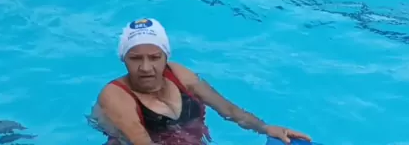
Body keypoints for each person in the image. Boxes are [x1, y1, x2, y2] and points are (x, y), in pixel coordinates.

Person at [92, 18, 312, 145]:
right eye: (135, 58)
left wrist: (265, 128)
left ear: (166, 56)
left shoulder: (179, 75)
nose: (146, 67)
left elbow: (229, 110)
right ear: (123, 59)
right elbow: (140, 140)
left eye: (154, 57)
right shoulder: (115, 95)